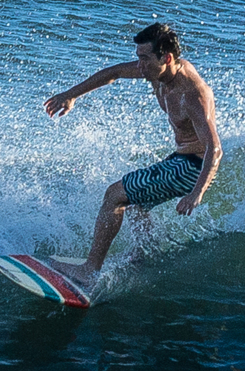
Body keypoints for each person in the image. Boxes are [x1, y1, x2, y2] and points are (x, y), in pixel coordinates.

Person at [43, 23, 222, 286]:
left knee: (115, 194)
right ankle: (146, 254)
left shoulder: (192, 94)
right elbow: (114, 72)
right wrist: (71, 95)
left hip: (193, 166)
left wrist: (197, 193)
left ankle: (89, 271)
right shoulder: (160, 73)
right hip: (181, 159)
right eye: (138, 58)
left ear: (166, 58)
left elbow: (214, 149)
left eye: (145, 59)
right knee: (137, 203)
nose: (139, 66)